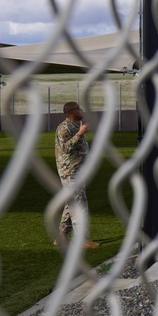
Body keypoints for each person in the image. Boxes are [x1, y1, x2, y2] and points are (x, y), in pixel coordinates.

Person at [55, 101, 99, 248]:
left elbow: (79, 147)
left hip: (79, 171)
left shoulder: (76, 125)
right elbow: (65, 148)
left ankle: (61, 236)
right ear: (72, 112)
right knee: (79, 204)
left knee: (72, 203)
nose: (82, 110)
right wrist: (80, 133)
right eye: (79, 108)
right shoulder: (64, 128)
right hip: (70, 172)